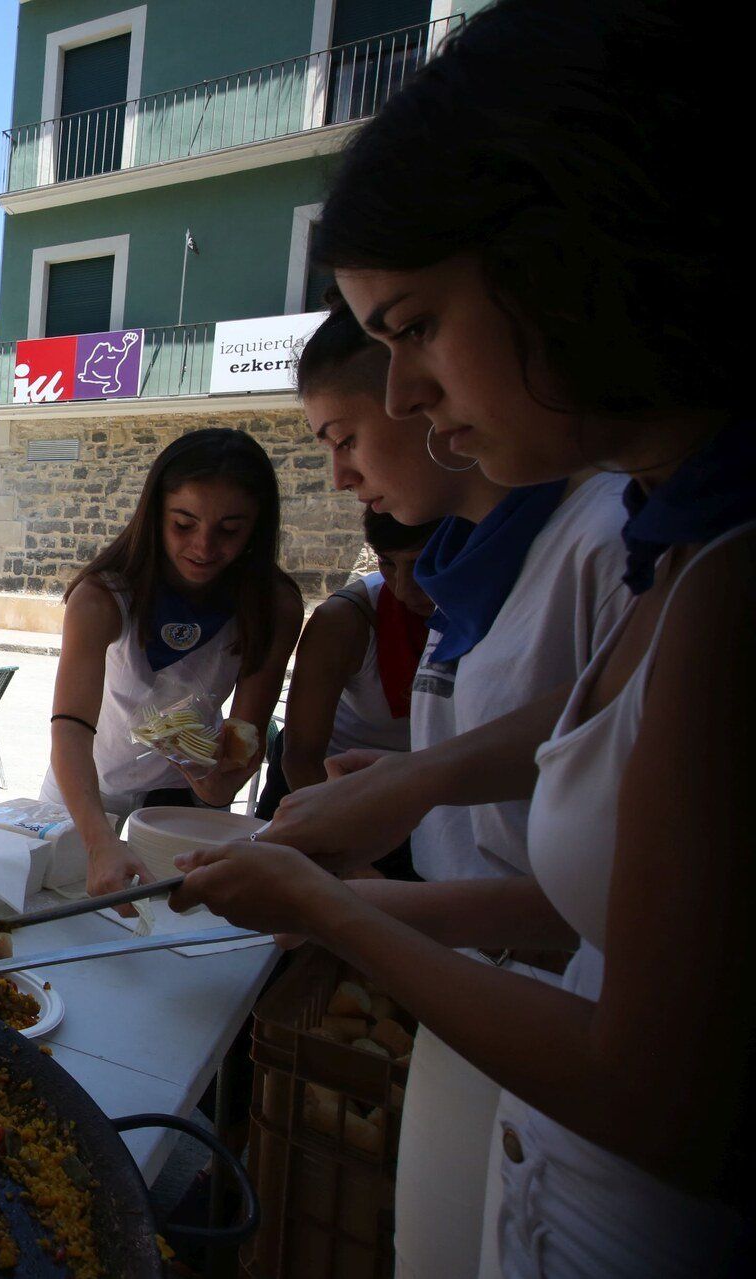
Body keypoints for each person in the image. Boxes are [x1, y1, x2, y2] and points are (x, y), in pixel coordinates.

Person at [174, 3, 752, 1274]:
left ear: (567, 263)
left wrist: (335, 910)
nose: (402, 401)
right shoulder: (674, 542)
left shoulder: (704, 570)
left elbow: (661, 1093)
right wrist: (378, 859)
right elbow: (606, 907)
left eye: (417, 329)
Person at [284, 295, 633, 1275]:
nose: (341, 473)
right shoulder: (459, 560)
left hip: (553, 1013)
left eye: (343, 438)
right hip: (476, 1003)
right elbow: (538, 755)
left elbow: (616, 868)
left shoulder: (606, 540)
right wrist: (403, 785)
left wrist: (361, 909)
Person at [41, 428, 302, 905]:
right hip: (84, 794)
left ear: (258, 526)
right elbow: (70, 728)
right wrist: (99, 842)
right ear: (155, 514)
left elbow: (247, 733)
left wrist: (220, 780)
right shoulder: (102, 597)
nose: (204, 547)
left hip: (177, 807)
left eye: (229, 530)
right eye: (184, 524)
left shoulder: (274, 604)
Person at [257, 512, 436, 834]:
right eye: (387, 563)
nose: (405, 589)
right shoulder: (344, 620)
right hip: (325, 791)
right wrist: (351, 858)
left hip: (432, 797)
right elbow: (301, 758)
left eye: (426, 562)